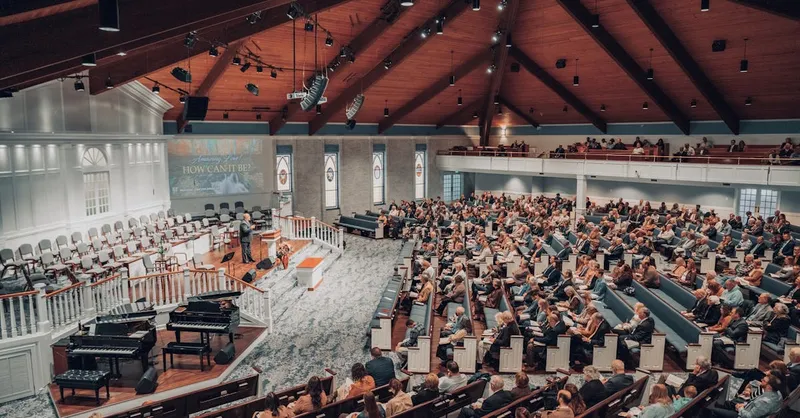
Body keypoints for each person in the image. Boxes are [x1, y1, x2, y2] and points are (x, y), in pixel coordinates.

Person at [707, 374, 783, 418]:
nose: (761, 380)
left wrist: (740, 409)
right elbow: (755, 405)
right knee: (726, 405)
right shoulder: (777, 393)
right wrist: (744, 405)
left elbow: (749, 417)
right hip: (748, 408)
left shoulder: (764, 402)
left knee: (711, 410)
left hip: (742, 415)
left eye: (764, 381)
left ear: (769, 386)